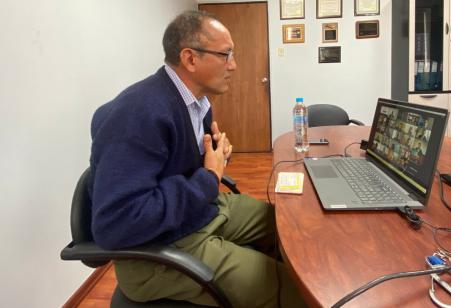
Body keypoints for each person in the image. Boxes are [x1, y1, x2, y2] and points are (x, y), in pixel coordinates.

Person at [88, 11, 306, 308]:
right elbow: (117, 224)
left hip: (199, 214)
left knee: (285, 227)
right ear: (190, 59)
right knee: (290, 290)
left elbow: (176, 167)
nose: (234, 65)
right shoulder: (139, 114)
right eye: (226, 55)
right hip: (159, 251)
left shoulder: (197, 103)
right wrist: (208, 177)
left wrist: (213, 155)